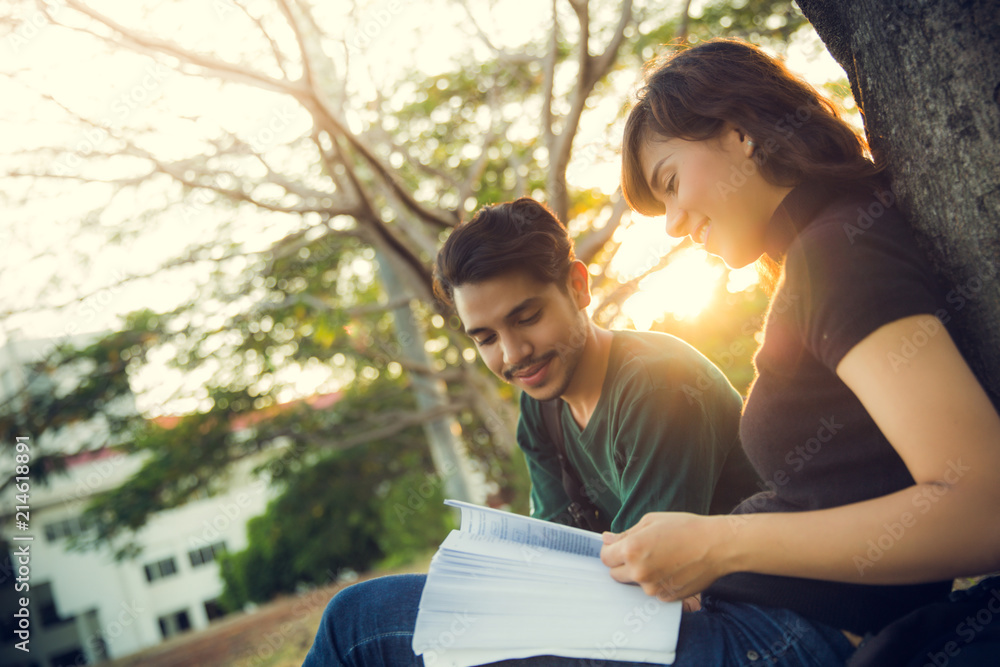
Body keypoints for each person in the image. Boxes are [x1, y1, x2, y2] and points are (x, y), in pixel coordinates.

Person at [304, 38, 1000, 665]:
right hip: (757, 618)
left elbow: (983, 507)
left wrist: (717, 544)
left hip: (792, 635)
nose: (670, 222)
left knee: (361, 624)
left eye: (669, 181)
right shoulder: (815, 257)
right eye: (484, 334)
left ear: (740, 134)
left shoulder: (837, 254)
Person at [300, 196, 759, 665]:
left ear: (578, 287)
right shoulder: (541, 410)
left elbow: (647, 580)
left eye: (527, 318)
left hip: (736, 627)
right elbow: (556, 558)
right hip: (631, 618)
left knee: (357, 624)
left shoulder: (658, 383)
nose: (514, 353)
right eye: (486, 338)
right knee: (361, 620)